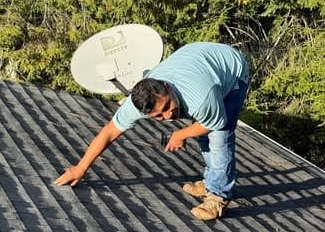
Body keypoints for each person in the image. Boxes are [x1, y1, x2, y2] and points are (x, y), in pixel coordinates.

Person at [55, 42, 249, 220]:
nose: (168, 116)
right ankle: (212, 180)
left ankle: (218, 197)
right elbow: (108, 132)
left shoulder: (200, 97)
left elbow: (215, 124)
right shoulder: (135, 104)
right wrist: (80, 168)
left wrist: (180, 134)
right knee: (201, 133)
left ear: (167, 87)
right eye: (158, 115)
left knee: (218, 137)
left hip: (232, 70)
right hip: (198, 63)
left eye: (167, 106)